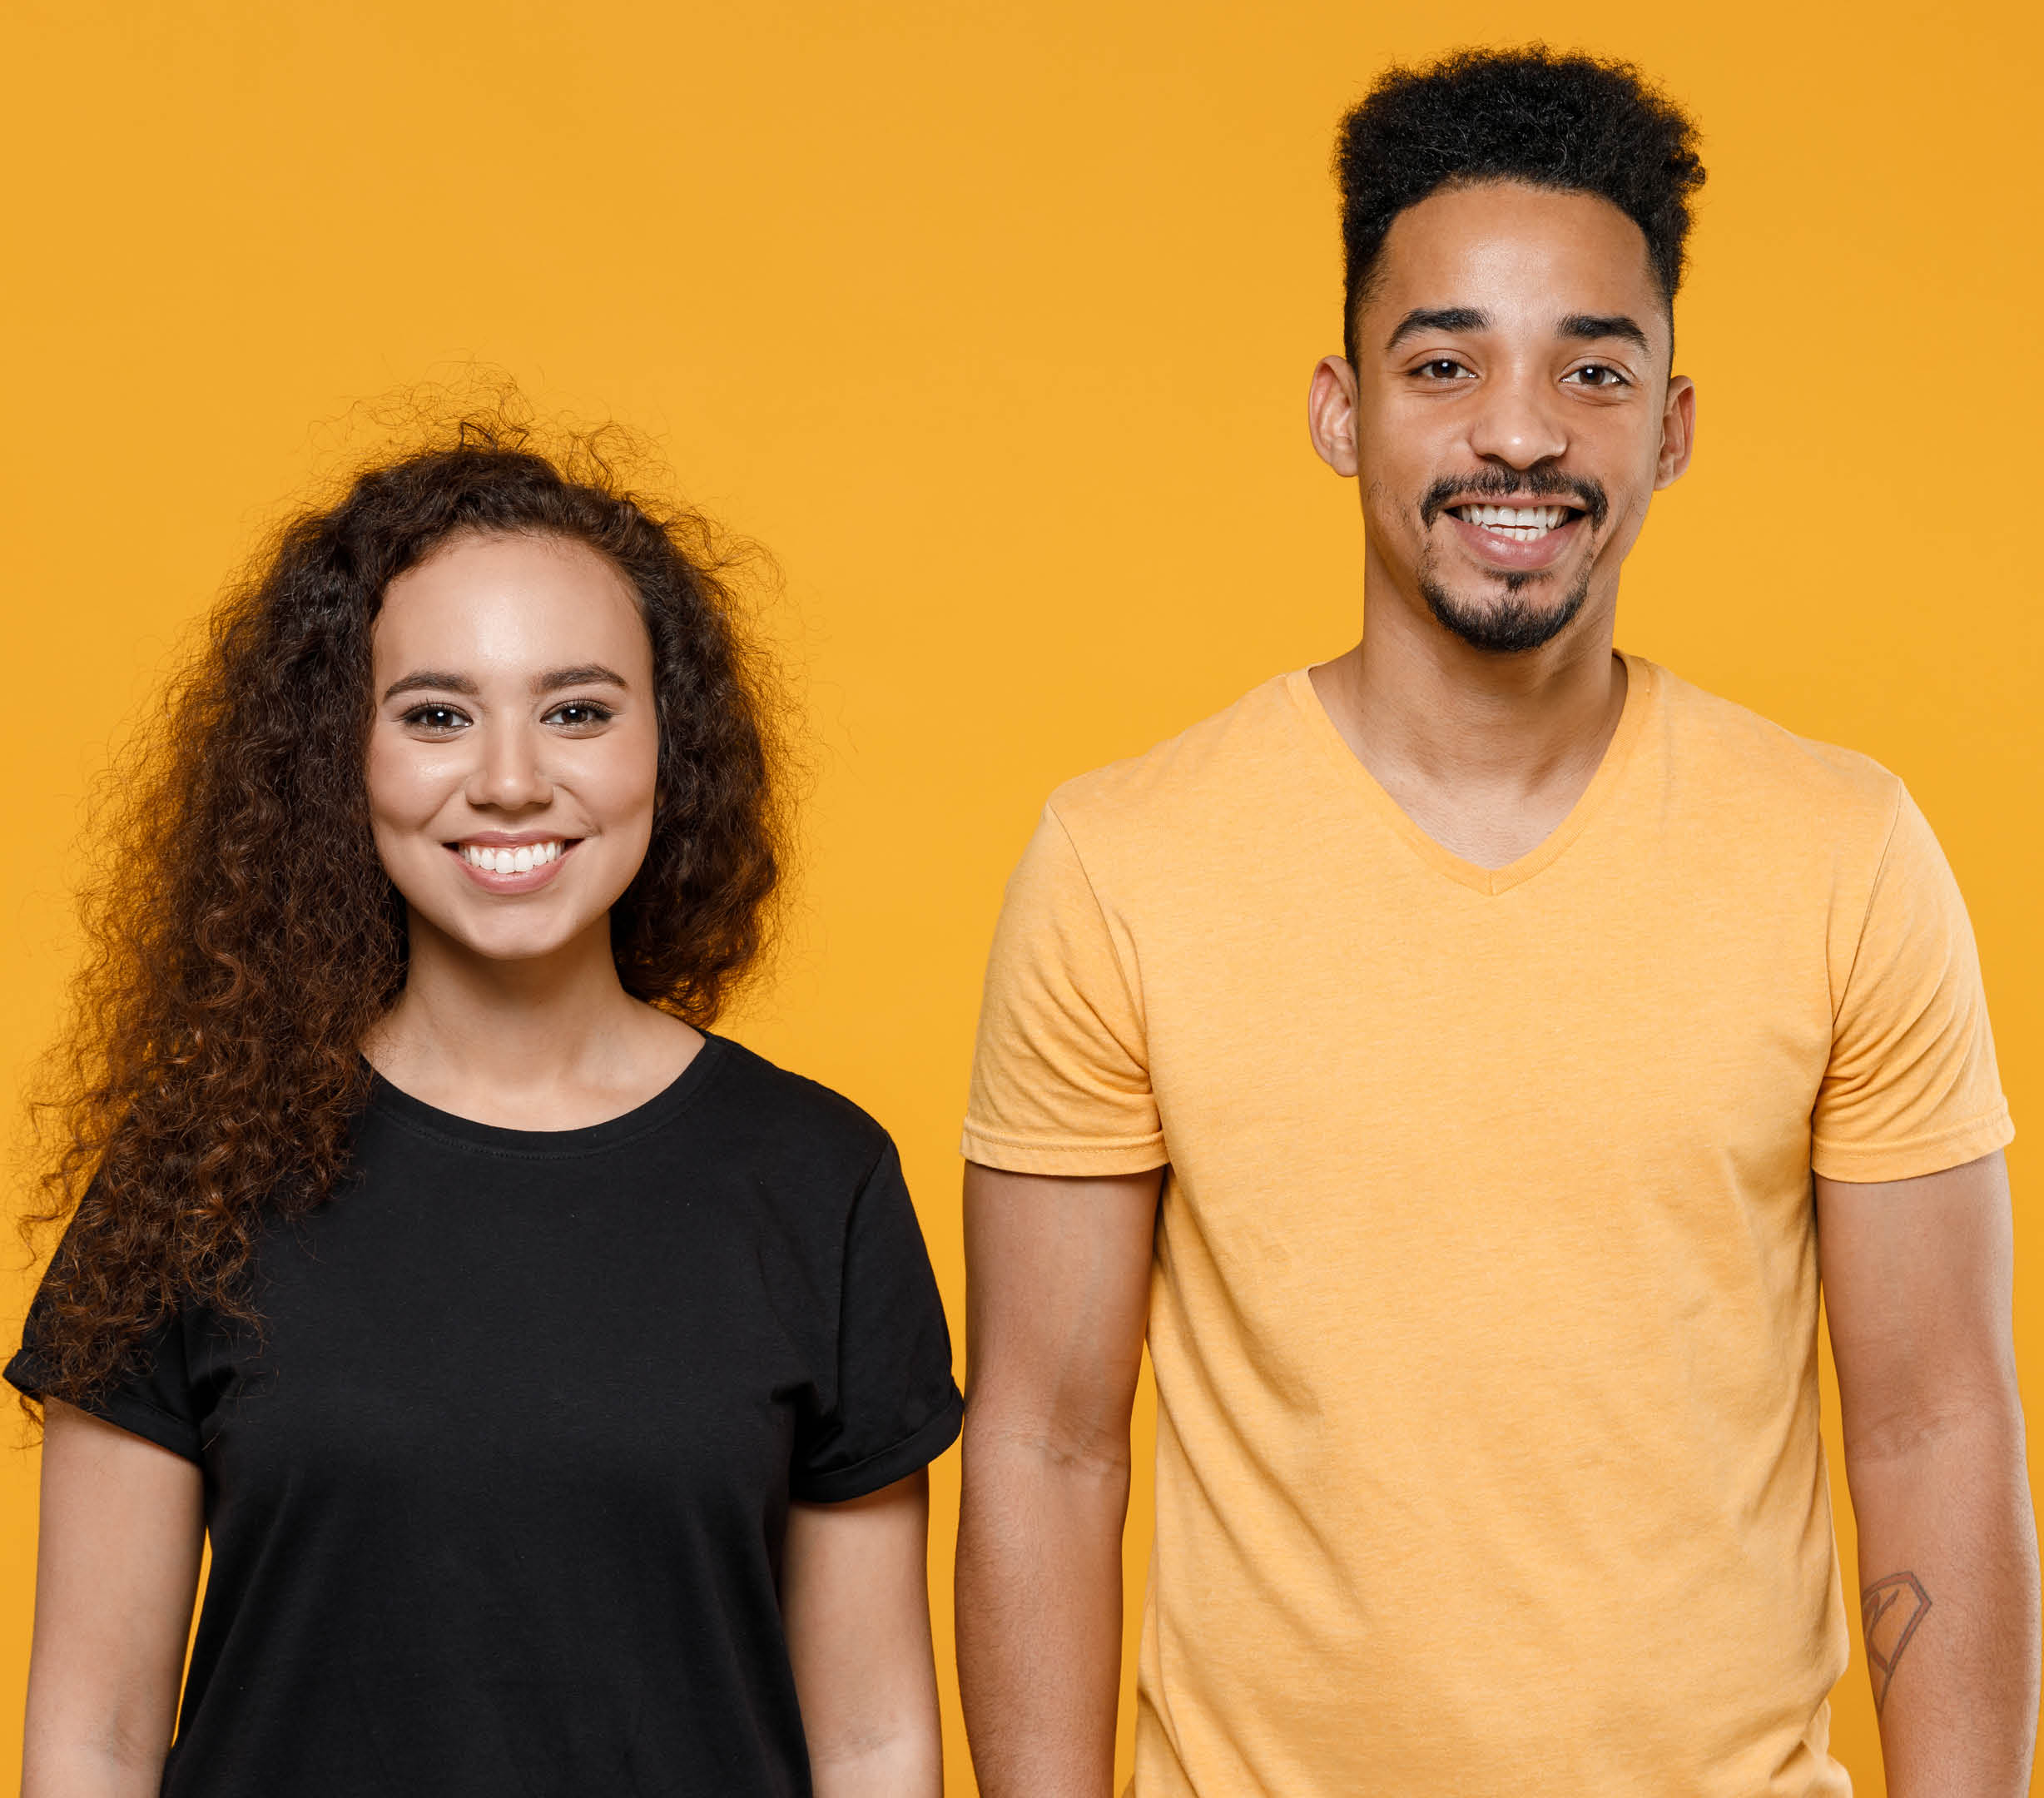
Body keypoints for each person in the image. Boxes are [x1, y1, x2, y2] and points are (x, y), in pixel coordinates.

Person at [955, 47, 2038, 1798]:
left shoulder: (1845, 851)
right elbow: (1046, 1443)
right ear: (1339, 411)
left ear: (1671, 425)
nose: (1518, 432)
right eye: (1443, 362)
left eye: (1590, 370)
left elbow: (1932, 1422)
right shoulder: (1119, 863)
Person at [12, 419, 961, 1798]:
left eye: (576, 708)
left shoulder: (819, 1178)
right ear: (338, 759)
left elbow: (873, 1741)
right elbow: (91, 1740)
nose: (511, 777)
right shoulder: (193, 1169)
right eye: (437, 713)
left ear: (667, 747)